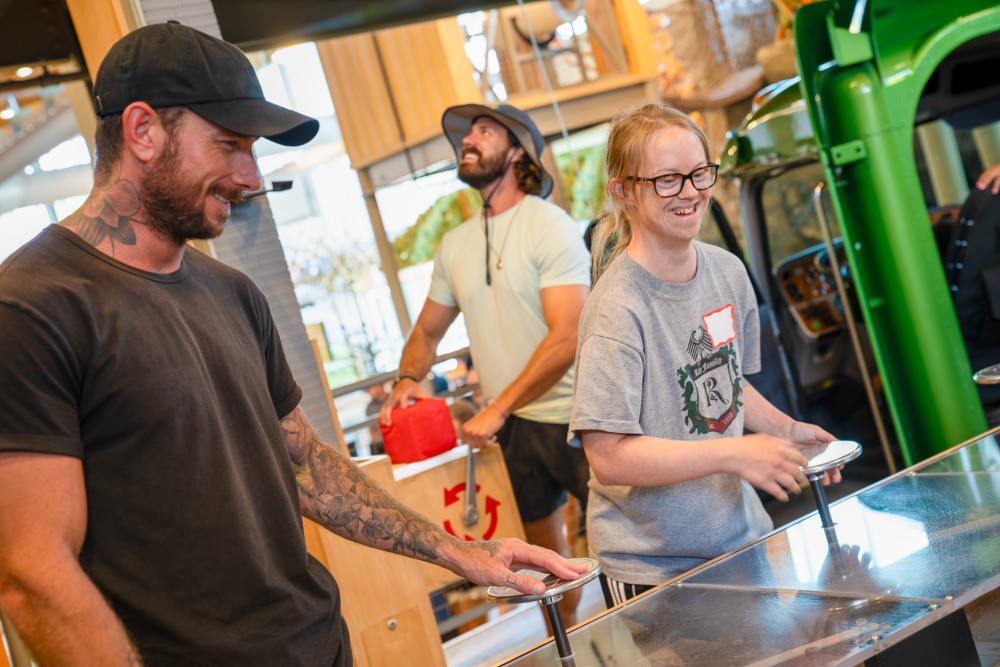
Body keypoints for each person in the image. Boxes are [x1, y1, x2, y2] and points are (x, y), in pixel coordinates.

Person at [0, 23, 587, 666]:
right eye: (228, 146)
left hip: (318, 644)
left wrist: (458, 551)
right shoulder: (31, 306)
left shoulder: (233, 292)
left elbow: (305, 464)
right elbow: (33, 574)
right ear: (143, 131)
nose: (249, 177)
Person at [570, 104, 841, 608]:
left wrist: (784, 431)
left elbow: (726, 379)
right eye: (668, 179)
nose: (691, 191)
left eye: (698, 173)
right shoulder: (615, 309)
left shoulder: (726, 272)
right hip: (657, 568)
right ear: (624, 191)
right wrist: (735, 452)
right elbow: (607, 456)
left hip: (740, 536)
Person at [381, 103, 592, 626]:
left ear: (517, 151)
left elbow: (568, 337)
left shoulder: (550, 226)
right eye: (466, 134)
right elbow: (428, 331)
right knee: (546, 575)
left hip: (579, 419)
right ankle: (566, 655)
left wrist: (497, 407)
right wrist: (407, 377)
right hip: (515, 431)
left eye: (484, 131)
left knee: (626, 546)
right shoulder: (455, 245)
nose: (469, 140)